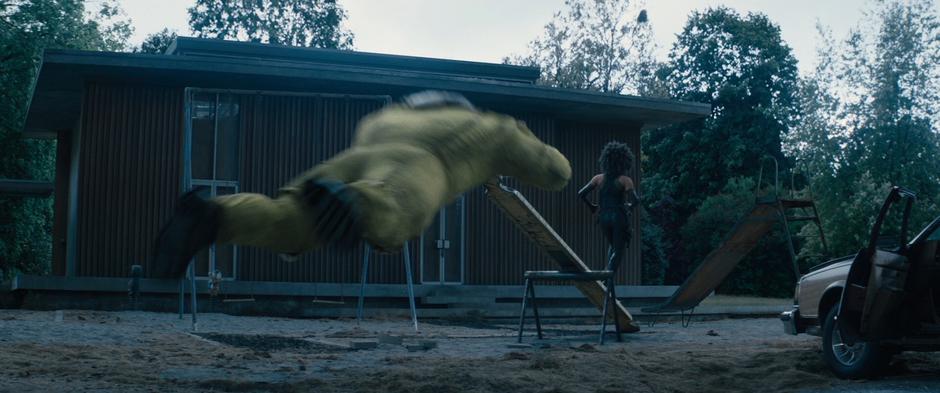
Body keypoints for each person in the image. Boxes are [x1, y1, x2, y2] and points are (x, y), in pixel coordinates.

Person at [152, 91, 572, 278]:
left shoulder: (391, 116)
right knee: (399, 205)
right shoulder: (486, 127)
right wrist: (521, 134)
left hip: (359, 155)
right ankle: (358, 205)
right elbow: (554, 172)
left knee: (293, 216)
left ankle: (215, 216)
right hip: (422, 164)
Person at [577, 141, 639, 273]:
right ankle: (606, 279)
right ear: (624, 161)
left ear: (606, 160)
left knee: (613, 247)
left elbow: (581, 194)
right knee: (619, 251)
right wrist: (630, 207)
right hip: (618, 217)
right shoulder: (625, 180)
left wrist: (592, 206)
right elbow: (636, 200)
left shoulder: (598, 178)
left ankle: (609, 290)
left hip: (603, 217)